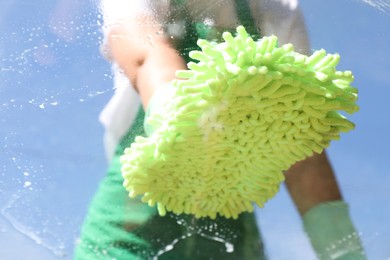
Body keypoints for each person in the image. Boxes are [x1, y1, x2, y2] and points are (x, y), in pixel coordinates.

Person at [75, 0, 365, 259]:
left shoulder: (278, 8)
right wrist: (178, 118)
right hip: (130, 222)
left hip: (231, 228)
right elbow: (144, 49)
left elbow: (299, 130)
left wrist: (341, 248)